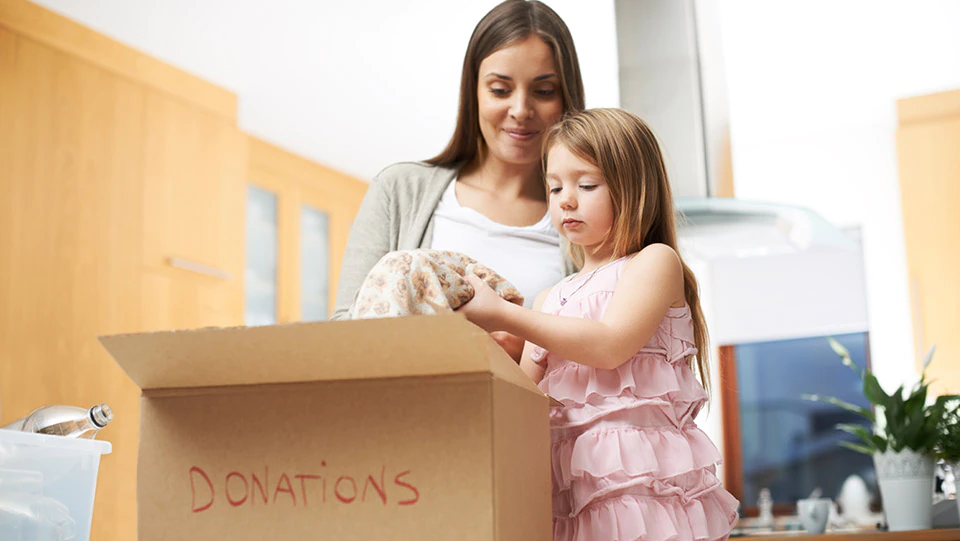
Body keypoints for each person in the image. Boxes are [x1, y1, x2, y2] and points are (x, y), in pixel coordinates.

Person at [458, 108, 739, 541]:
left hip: (645, 496)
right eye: (554, 187)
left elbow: (609, 344)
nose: (566, 199)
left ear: (633, 187)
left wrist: (504, 313)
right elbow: (519, 400)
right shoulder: (551, 299)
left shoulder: (653, 263)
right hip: (572, 499)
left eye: (585, 185)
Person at [333, 0, 585, 363]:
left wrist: (526, 354)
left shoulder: (588, 214)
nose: (520, 110)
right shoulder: (399, 190)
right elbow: (345, 330)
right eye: (500, 89)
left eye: (544, 91)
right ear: (474, 92)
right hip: (415, 415)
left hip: (533, 420)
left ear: (567, 98)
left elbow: (605, 360)